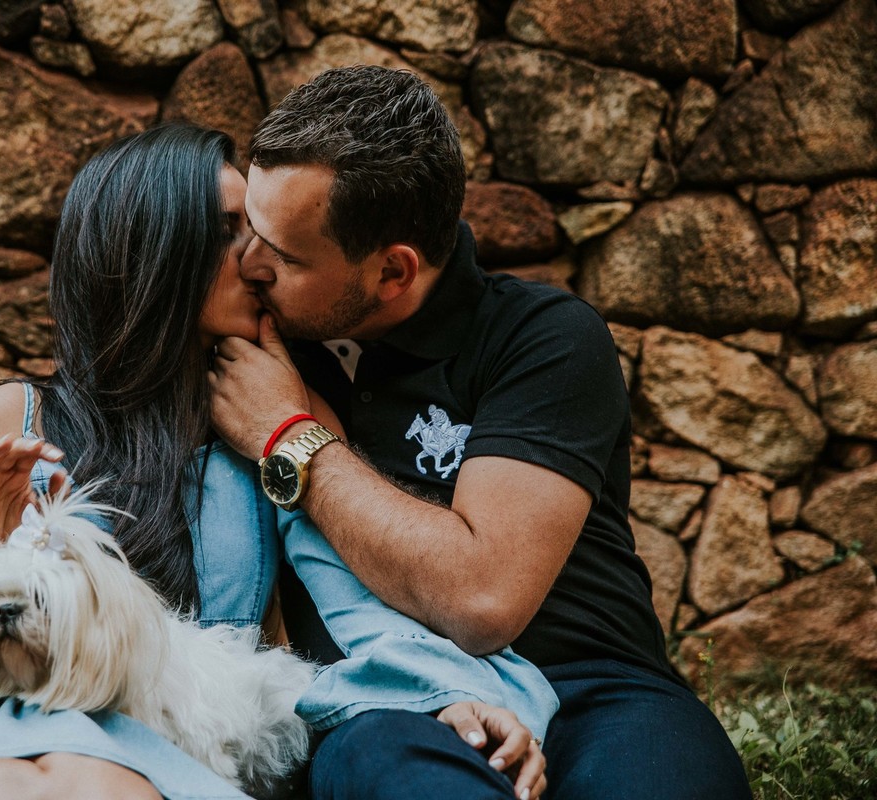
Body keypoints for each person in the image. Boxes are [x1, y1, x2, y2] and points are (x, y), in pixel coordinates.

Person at [0, 123, 554, 800]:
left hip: (169, 738)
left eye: (258, 231)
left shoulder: (275, 419)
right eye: (230, 231)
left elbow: (356, 606)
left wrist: (450, 696)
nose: (259, 260)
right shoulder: (16, 419)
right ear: (154, 252)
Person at [207, 66, 752, 800]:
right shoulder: (255, 348)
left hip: (591, 689)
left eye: (286, 254)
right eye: (250, 229)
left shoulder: (543, 337)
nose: (249, 263)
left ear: (392, 272)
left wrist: (289, 436)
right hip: (389, 702)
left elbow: (484, 600)